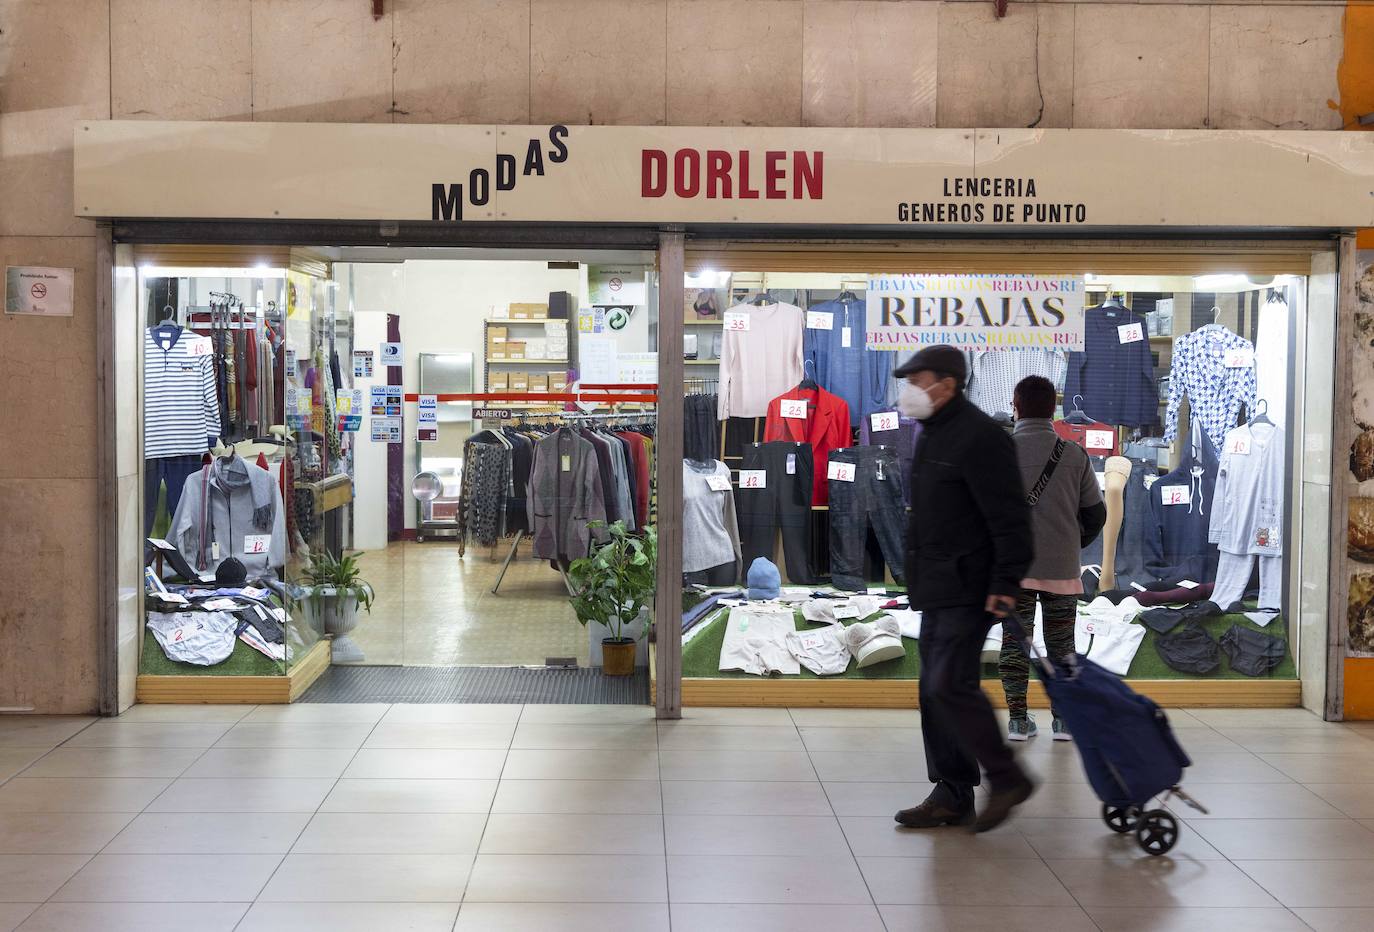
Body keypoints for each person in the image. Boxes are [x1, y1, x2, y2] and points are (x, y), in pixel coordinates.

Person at [891, 345, 1037, 834]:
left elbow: (1012, 517)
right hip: (936, 586)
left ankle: (1007, 776)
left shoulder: (981, 437)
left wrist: (1005, 581)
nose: (909, 389)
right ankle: (952, 793)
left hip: (971, 586)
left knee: (949, 685)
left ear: (947, 383)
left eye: (917, 379)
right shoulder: (933, 434)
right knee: (934, 693)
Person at [1002, 375, 1107, 742]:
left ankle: (1018, 721)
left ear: (1015, 407)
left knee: (1015, 643)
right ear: (1054, 410)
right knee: (1063, 645)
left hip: (1013, 569)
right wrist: (1071, 543)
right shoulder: (1074, 454)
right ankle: (1063, 721)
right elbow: (1096, 514)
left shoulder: (999, 452)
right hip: (1062, 568)